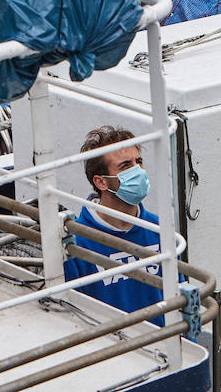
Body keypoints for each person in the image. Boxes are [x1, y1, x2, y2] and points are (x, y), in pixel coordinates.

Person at [64, 125, 166, 323]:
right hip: (111, 349)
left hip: (161, 349)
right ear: (101, 182)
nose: (137, 170)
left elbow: (179, 299)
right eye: (125, 166)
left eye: (139, 162)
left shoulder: (158, 229)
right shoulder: (76, 242)